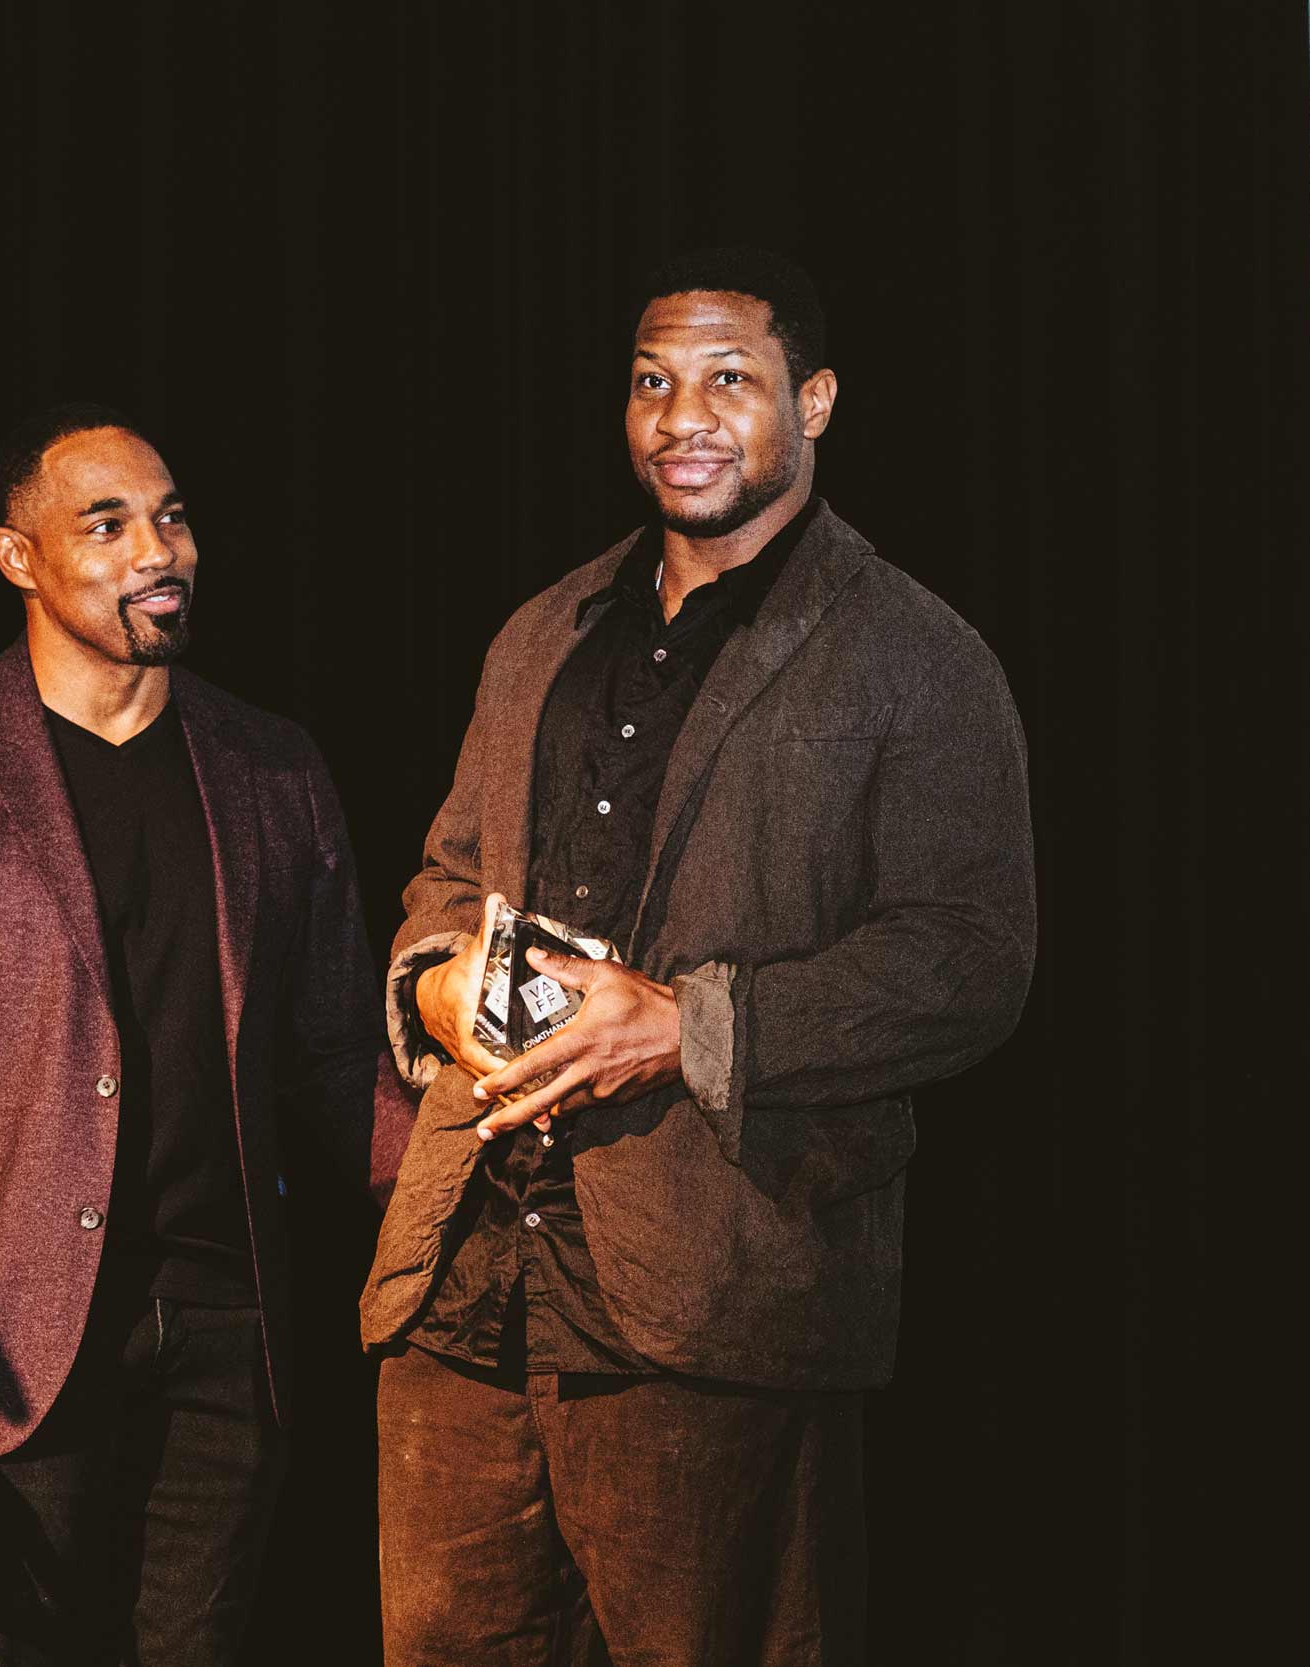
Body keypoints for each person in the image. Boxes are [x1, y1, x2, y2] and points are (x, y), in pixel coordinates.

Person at [366, 247, 1038, 1663]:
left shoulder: (916, 653)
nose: (684, 414)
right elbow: (443, 875)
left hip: (716, 1290)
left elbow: (970, 958)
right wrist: (433, 981)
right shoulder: (543, 630)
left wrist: (684, 1023)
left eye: (730, 379)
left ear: (821, 398)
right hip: (466, 1278)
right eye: (653, 381)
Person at [0, 403, 395, 1666]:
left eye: (169, 517)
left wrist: (487, 1176)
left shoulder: (272, 767)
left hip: (228, 1342)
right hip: (4, 1346)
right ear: (18, 558)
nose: (155, 552)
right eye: (107, 524)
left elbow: (340, 1062)